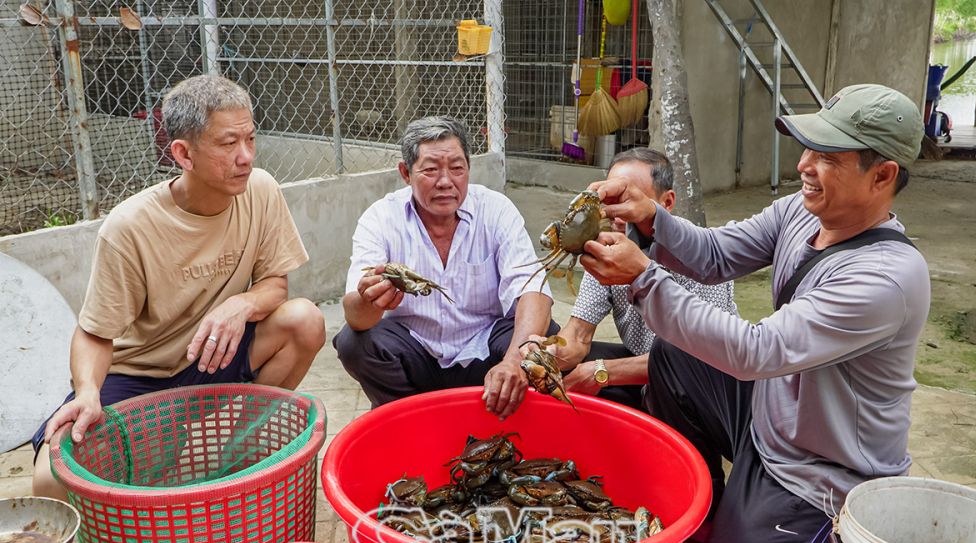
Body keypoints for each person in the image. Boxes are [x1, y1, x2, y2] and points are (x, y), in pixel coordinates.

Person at [581, 84, 930, 543]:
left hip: (817, 476)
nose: (805, 166)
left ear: (882, 175)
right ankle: (709, 507)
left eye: (829, 157)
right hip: (771, 420)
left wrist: (642, 277)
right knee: (676, 353)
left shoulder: (885, 279)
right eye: (807, 148)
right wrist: (651, 218)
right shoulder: (801, 211)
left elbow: (754, 352)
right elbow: (716, 252)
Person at [31, 75, 326, 500]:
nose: (245, 157)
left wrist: (241, 304)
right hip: (138, 375)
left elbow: (275, 286)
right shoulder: (130, 227)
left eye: (250, 138)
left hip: (212, 359)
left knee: (305, 320)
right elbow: (95, 332)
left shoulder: (261, 190)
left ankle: (234, 460)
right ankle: (153, 448)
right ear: (183, 153)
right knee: (49, 482)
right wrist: (87, 392)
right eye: (227, 144)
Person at [333, 116, 556, 419]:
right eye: (430, 170)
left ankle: (509, 407)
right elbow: (356, 316)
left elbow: (533, 287)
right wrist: (369, 299)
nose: (445, 182)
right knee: (354, 342)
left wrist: (514, 360)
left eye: (456, 168)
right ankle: (407, 419)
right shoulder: (381, 218)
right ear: (405, 173)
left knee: (539, 337)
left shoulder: (496, 209)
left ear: (468, 169)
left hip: (487, 351)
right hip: (417, 354)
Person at [532, 148, 737, 410]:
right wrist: (553, 354)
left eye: (629, 200)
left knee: (610, 373)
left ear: (667, 203)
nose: (617, 215)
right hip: (643, 364)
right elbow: (579, 335)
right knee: (561, 371)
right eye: (611, 200)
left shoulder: (700, 252)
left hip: (703, 378)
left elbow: (698, 358)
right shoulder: (605, 249)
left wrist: (601, 371)